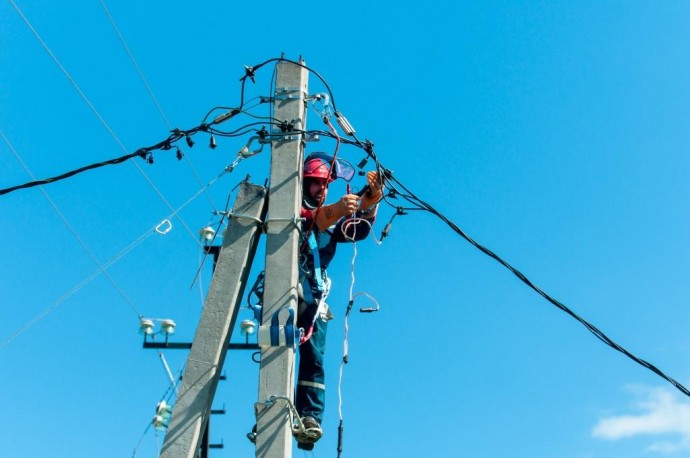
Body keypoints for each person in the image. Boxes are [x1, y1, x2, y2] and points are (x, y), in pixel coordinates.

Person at [293, 152, 382, 450]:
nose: (322, 189)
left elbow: (356, 227)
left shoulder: (332, 217)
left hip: (314, 297)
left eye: (325, 184)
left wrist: (372, 197)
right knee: (277, 347)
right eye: (317, 184)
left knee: (314, 357)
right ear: (305, 184)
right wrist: (339, 208)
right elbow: (320, 218)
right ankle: (271, 411)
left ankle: (310, 416)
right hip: (287, 290)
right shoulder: (292, 209)